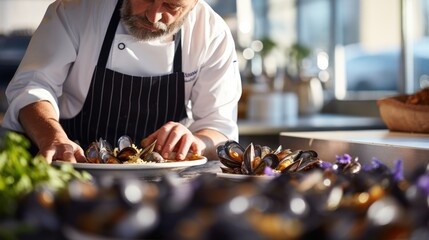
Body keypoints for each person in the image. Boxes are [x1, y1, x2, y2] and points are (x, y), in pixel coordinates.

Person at [2, 0, 241, 163]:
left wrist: (196, 141)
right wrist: (51, 137)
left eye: (171, 5)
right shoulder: (78, 9)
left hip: (162, 185)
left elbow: (219, 128)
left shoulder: (212, 33)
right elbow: (33, 86)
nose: (154, 15)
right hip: (70, 168)